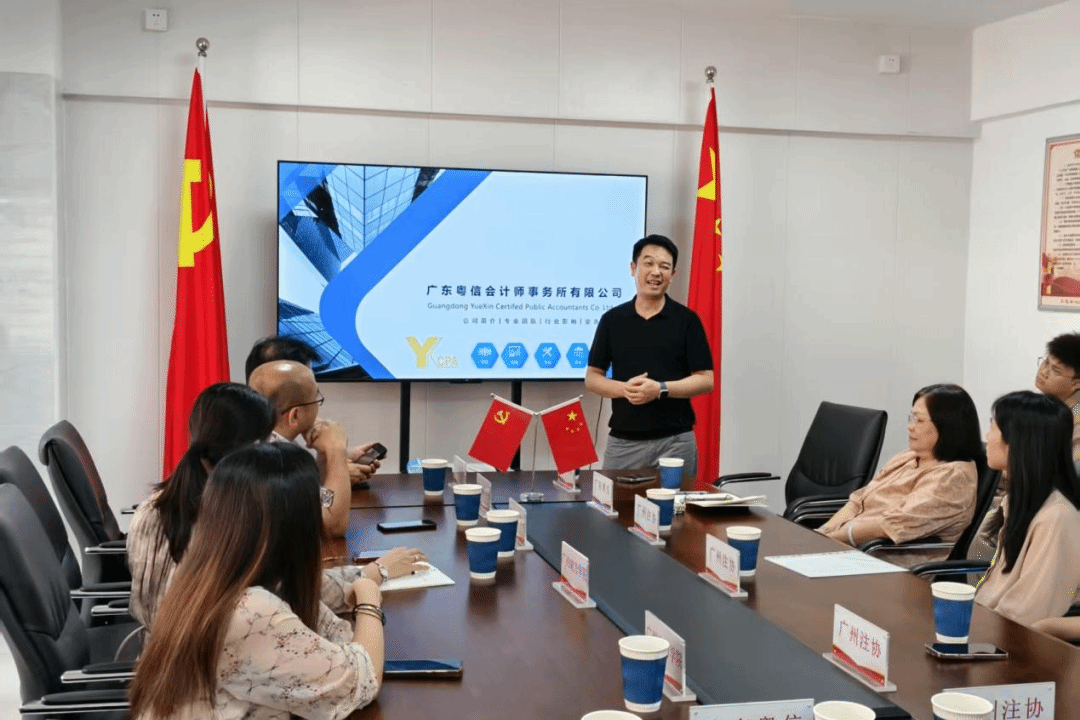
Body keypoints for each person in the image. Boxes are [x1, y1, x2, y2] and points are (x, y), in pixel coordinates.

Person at [128, 382, 425, 629]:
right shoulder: (235, 516)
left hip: (163, 659)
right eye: (268, 440)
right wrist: (375, 573)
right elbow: (295, 595)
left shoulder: (154, 505)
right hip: (218, 662)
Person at [129, 442, 385, 719]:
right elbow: (360, 680)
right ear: (296, 524)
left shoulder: (207, 579)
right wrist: (368, 596)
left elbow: (337, 637)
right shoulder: (249, 611)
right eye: (320, 500)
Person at [585, 234, 714, 480]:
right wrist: (625, 390)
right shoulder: (613, 320)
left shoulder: (687, 321)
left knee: (677, 504)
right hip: (624, 442)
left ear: (672, 274)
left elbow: (706, 380)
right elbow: (592, 377)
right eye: (649, 263)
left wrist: (659, 389)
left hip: (676, 442)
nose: (656, 272)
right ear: (633, 268)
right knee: (616, 504)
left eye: (664, 266)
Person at [816, 384, 983, 567]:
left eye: (919, 420)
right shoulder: (909, 456)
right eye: (911, 418)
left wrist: (831, 540)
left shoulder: (953, 477)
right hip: (852, 550)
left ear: (947, 426)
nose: (910, 427)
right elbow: (858, 501)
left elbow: (892, 525)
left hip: (886, 563)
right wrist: (823, 532)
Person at [974, 391, 1080, 628]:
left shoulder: (1057, 517)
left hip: (1011, 638)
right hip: (988, 620)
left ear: (1017, 442)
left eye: (992, 427)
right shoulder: (1018, 500)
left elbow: (1029, 613)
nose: (987, 436)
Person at [246, 335, 382, 485]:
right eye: (314, 395)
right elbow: (323, 500)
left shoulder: (258, 438)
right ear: (294, 414)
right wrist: (336, 466)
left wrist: (330, 463)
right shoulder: (271, 456)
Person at [249, 360, 354, 536]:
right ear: (295, 415)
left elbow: (319, 498)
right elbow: (332, 525)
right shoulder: (278, 458)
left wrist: (325, 457)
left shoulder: (257, 442)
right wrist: (336, 449)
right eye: (316, 399)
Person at [1034, 332, 1080, 461]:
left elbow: (1077, 467)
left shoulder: (1076, 416)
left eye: (1056, 370)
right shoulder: (1044, 402)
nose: (1043, 372)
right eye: (1046, 362)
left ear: (1076, 383)